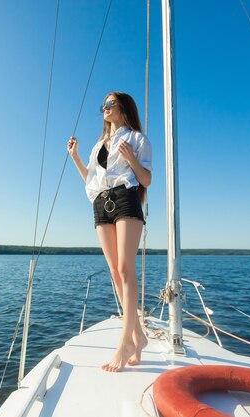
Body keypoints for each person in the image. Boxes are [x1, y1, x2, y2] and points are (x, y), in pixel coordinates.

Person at [67, 91, 152, 372]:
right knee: (115, 271)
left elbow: (146, 180)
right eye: (102, 104)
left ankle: (126, 341)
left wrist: (132, 159)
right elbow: (91, 179)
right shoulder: (97, 145)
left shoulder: (137, 139)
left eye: (110, 103)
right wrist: (76, 156)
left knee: (127, 269)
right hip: (101, 203)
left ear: (123, 107)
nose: (104, 108)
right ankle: (138, 336)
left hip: (126, 198)